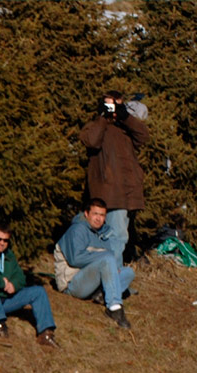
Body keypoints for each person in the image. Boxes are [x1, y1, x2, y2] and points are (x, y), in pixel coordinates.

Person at [80, 89, 150, 267]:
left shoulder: (125, 128)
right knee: (116, 235)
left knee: (118, 235)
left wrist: (125, 117)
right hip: (109, 190)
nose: (112, 109)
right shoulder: (94, 126)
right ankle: (112, 282)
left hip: (126, 190)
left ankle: (113, 279)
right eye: (109, 104)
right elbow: (92, 141)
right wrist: (103, 117)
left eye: (116, 104)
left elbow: (144, 136)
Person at [0, 222, 59, 347]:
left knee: (38, 291)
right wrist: (0, 282)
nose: (2, 243)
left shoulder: (9, 256)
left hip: (6, 301)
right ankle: (0, 326)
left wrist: (14, 285)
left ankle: (46, 333)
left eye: (5, 240)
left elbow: (21, 277)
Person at [54, 198, 135, 329]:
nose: (98, 218)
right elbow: (75, 259)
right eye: (95, 214)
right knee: (107, 258)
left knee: (128, 272)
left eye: (102, 215)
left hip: (91, 282)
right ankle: (114, 308)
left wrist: (113, 269)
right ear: (86, 214)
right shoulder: (77, 230)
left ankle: (101, 294)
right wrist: (105, 259)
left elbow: (105, 260)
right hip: (72, 283)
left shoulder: (103, 233)